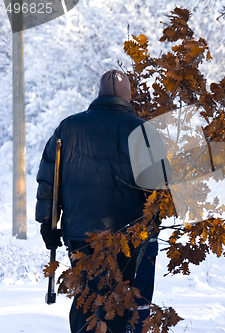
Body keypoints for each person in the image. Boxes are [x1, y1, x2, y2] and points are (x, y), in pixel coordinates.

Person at [36, 69, 164, 333]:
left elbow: (50, 178)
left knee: (86, 297)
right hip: (127, 236)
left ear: (99, 94)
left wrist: (48, 224)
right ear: (128, 97)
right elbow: (158, 187)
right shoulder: (141, 130)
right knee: (119, 298)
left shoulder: (68, 126)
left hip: (79, 234)